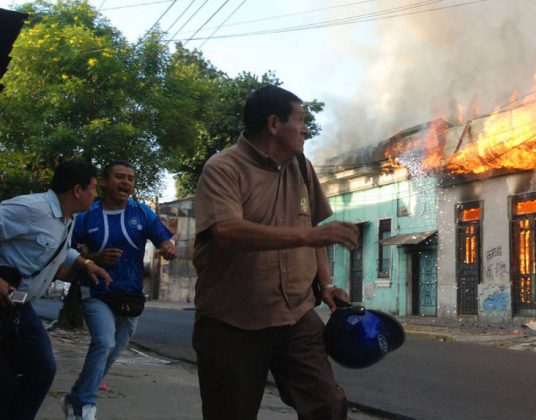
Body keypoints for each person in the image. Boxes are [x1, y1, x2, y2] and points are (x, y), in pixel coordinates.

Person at [192, 85, 360, 420]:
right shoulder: (223, 168)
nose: (306, 129)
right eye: (300, 120)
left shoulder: (302, 166)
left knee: (328, 405)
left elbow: (315, 234)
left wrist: (325, 284)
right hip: (232, 321)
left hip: (295, 316)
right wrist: (308, 234)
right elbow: (227, 231)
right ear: (273, 124)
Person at [62, 160, 177, 420]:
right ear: (104, 182)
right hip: (97, 292)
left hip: (130, 296)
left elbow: (164, 239)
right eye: (119, 177)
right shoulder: (86, 216)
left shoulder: (142, 213)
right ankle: (84, 407)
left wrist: (168, 247)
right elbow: (67, 251)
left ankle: (77, 396)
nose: (126, 183)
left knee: (112, 352)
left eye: (131, 179)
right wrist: (95, 258)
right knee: (103, 341)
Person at [0, 160, 111, 420]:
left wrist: (85, 263)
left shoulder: (67, 219)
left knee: (41, 368)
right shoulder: (30, 209)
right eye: (93, 188)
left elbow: (59, 250)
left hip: (19, 306)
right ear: (77, 190)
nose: (95, 195)